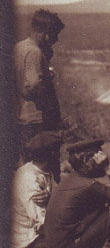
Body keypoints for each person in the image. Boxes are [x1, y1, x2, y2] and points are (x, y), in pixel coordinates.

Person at [14, 9, 64, 146]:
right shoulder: (35, 52)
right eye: (55, 35)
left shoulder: (18, 48)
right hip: (35, 121)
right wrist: (46, 81)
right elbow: (32, 87)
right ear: (46, 34)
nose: (56, 39)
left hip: (19, 118)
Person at [11, 131, 61, 248]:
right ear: (52, 154)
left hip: (40, 236)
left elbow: (60, 198)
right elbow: (43, 223)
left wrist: (51, 197)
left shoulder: (46, 173)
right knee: (77, 247)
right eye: (58, 152)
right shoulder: (29, 178)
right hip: (29, 243)